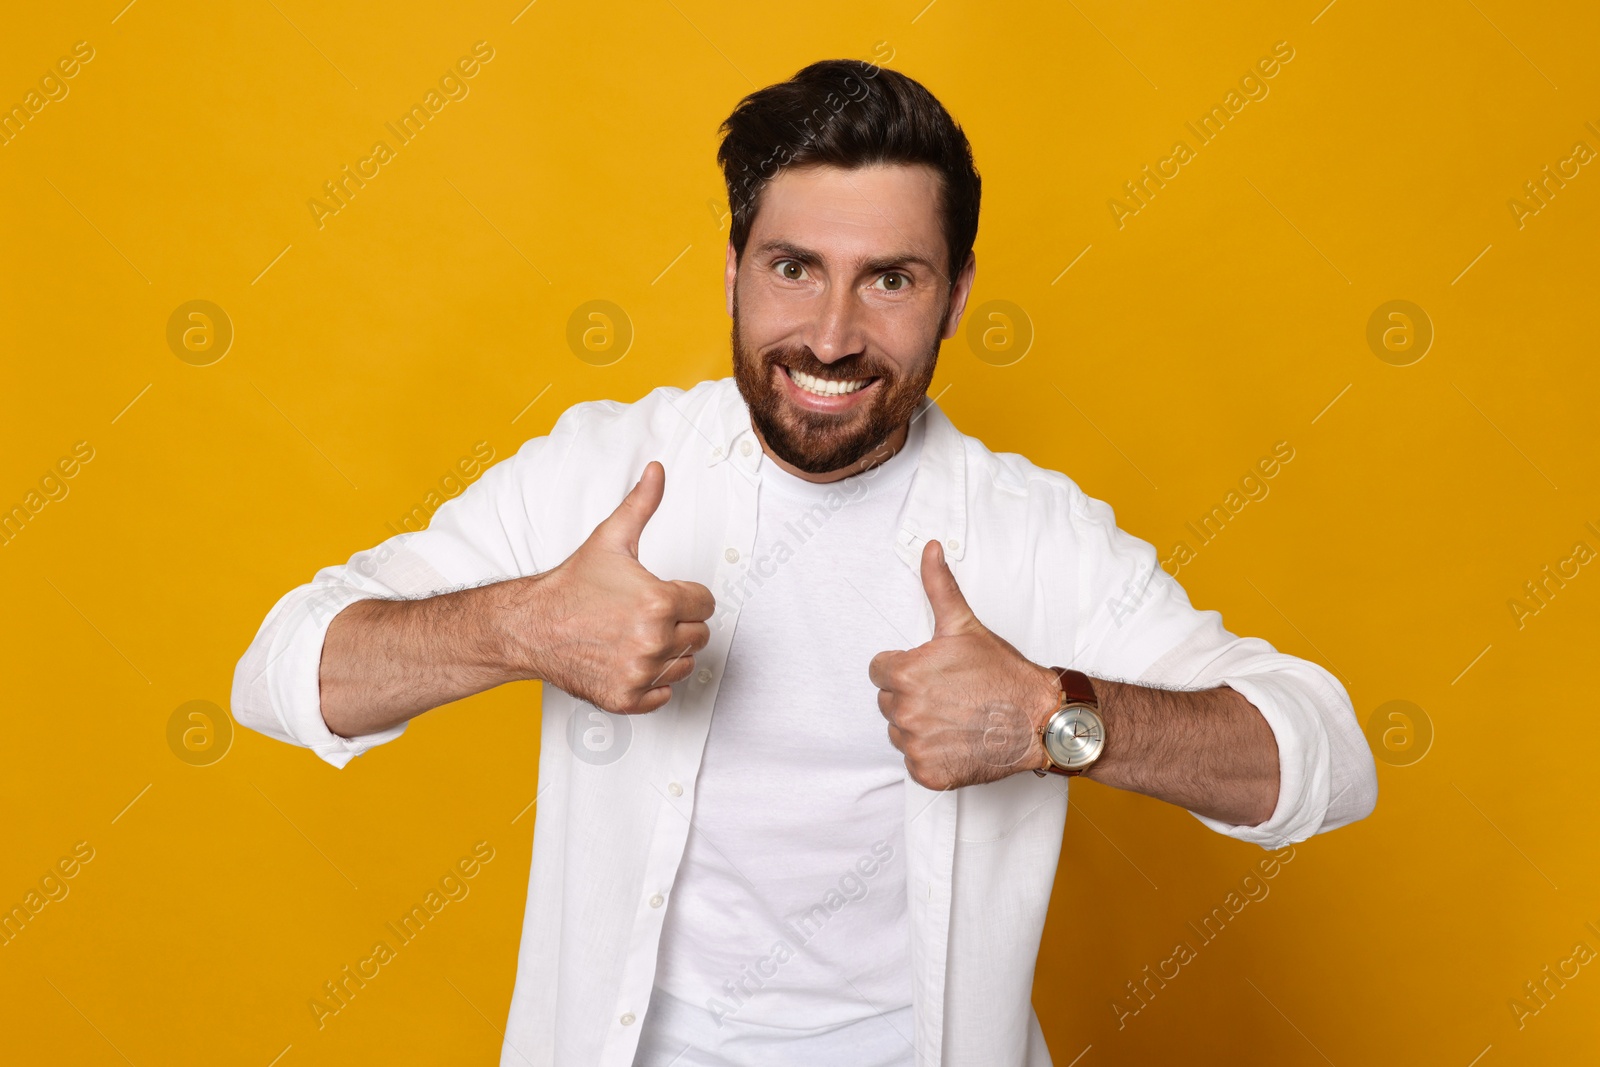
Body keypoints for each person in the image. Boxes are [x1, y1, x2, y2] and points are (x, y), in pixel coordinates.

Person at [232, 58, 1378, 1067]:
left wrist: (1053, 715)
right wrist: (515, 627)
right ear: (733, 266)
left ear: (956, 295)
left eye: (890, 278)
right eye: (793, 267)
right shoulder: (604, 469)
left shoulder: (1033, 531)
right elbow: (281, 671)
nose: (832, 334)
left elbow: (1326, 759)